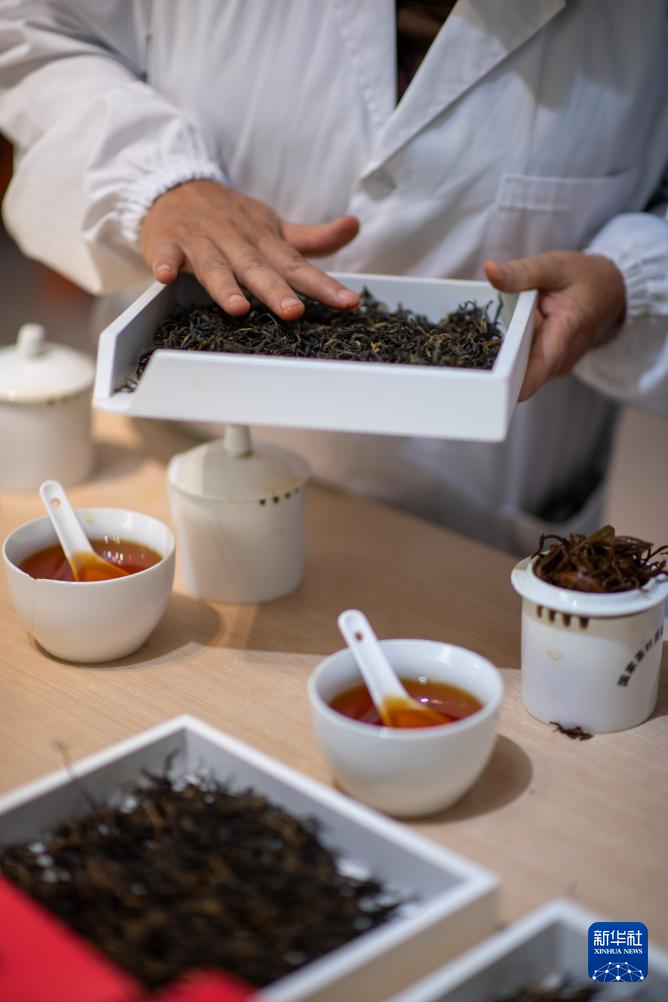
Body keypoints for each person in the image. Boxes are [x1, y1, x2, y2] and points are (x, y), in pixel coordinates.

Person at [1, 1, 667, 553]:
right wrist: (156, 182)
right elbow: (37, 27)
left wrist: (630, 277)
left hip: (470, 520)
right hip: (180, 448)